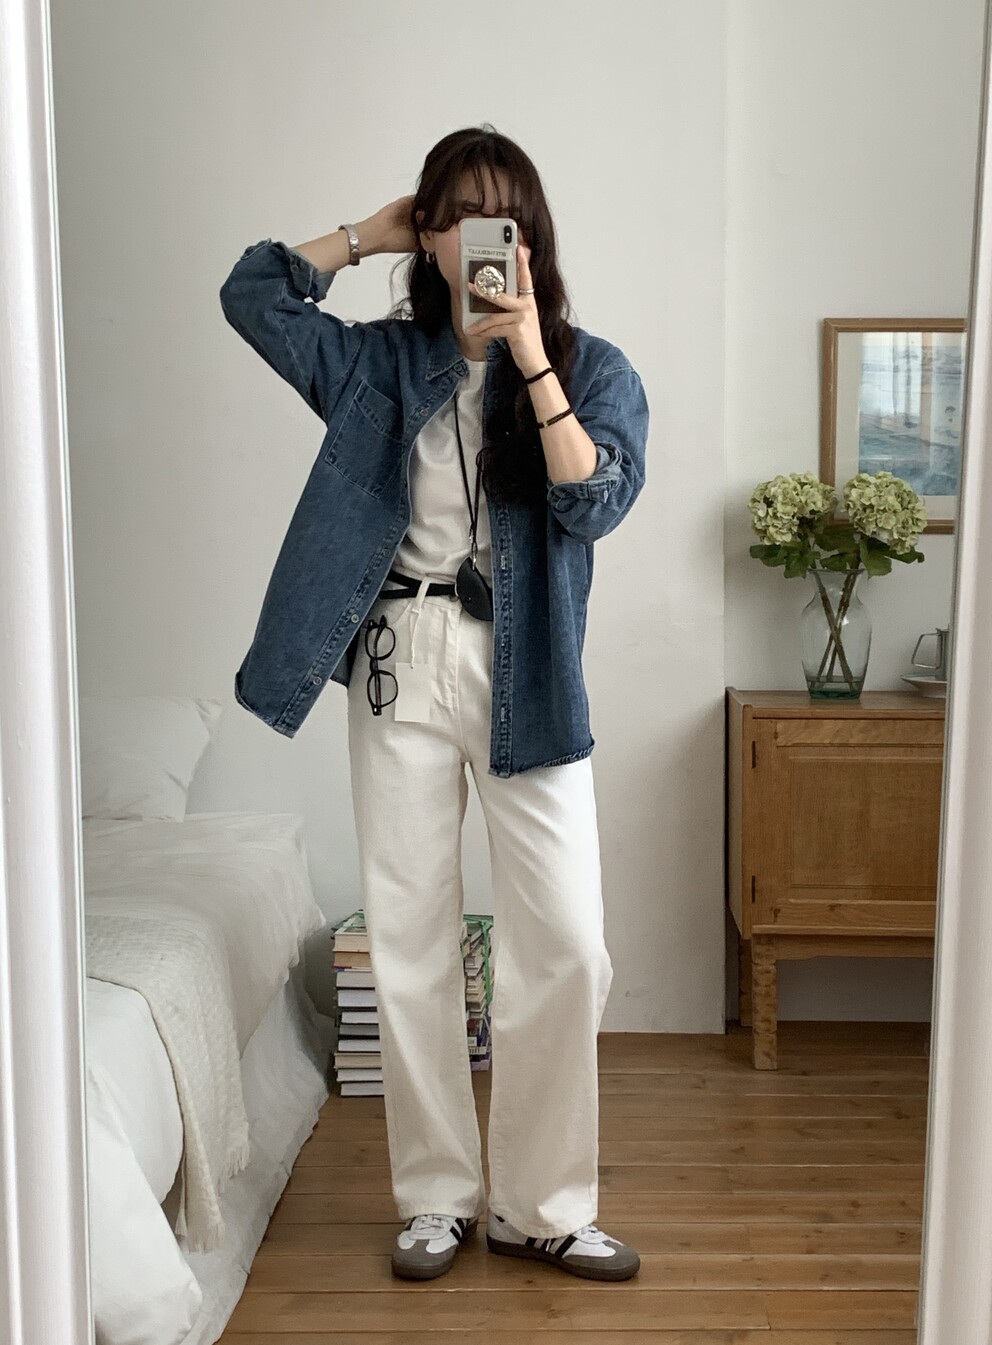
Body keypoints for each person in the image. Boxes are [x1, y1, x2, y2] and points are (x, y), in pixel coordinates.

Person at [219, 124, 648, 1283]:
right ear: (432, 236)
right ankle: (438, 1199)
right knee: (409, 937)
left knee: (567, 947)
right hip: (400, 656)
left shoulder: (594, 368)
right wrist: (365, 235)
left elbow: (595, 503)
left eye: (499, 213)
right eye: (453, 215)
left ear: (531, 235)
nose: (477, 234)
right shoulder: (379, 361)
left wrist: (531, 359)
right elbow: (253, 295)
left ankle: (541, 1206)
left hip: (529, 665)